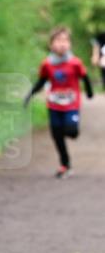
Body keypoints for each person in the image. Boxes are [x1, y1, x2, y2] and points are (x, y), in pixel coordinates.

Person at [24, 25, 93, 178]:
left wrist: (89, 93)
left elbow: (85, 77)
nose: (62, 44)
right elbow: (41, 81)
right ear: (51, 44)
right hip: (54, 104)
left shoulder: (75, 62)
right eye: (58, 40)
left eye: (65, 40)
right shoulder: (47, 64)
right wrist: (29, 95)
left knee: (71, 131)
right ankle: (65, 164)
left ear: (70, 44)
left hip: (71, 104)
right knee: (57, 136)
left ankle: (72, 130)